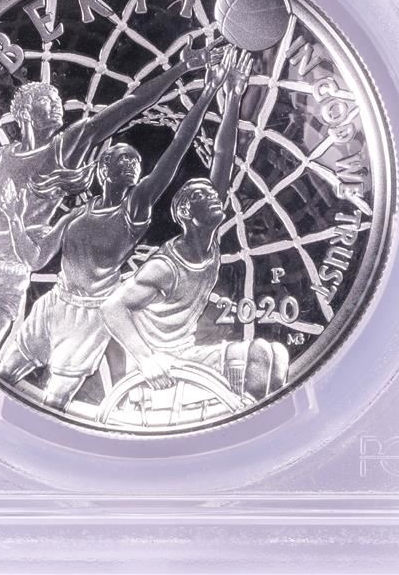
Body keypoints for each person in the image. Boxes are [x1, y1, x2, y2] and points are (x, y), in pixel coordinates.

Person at [0, 40, 224, 366]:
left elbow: (132, 103)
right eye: (48, 101)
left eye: (57, 100)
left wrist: (182, 68)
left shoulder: (67, 148)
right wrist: (6, 236)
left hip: (11, 277)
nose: (57, 105)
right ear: (25, 112)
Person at [0, 50, 234, 409]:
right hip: (55, 302)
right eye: (124, 158)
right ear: (104, 169)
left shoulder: (133, 209)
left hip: (90, 316)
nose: (133, 164)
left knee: (53, 404)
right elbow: (36, 258)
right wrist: (14, 220)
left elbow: (177, 148)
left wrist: (208, 92)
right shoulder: (77, 214)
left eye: (136, 161)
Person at [101, 50, 289, 402]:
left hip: (187, 355)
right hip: (156, 370)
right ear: (186, 213)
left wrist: (233, 97)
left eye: (213, 194)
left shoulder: (208, 242)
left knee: (271, 357)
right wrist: (146, 359)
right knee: (257, 370)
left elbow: (222, 157)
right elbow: (111, 308)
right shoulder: (165, 266)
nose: (215, 197)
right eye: (203, 196)